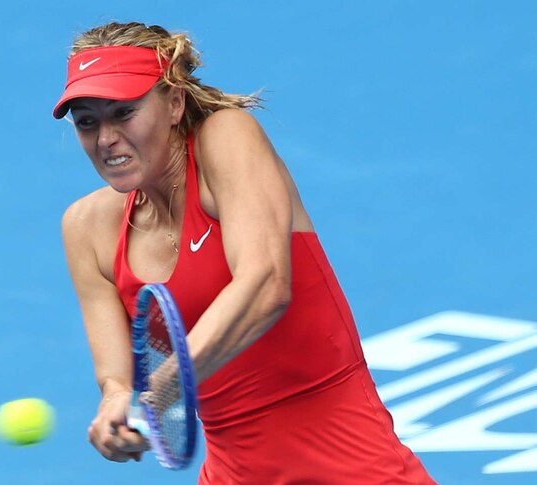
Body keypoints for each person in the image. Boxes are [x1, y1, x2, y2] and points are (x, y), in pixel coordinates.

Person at [55, 21, 436, 484]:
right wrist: (115, 410)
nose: (105, 138)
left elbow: (265, 284)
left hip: (356, 469)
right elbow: (117, 379)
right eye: (87, 122)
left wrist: (171, 381)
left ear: (174, 102)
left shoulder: (226, 138)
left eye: (124, 113)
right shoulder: (86, 228)